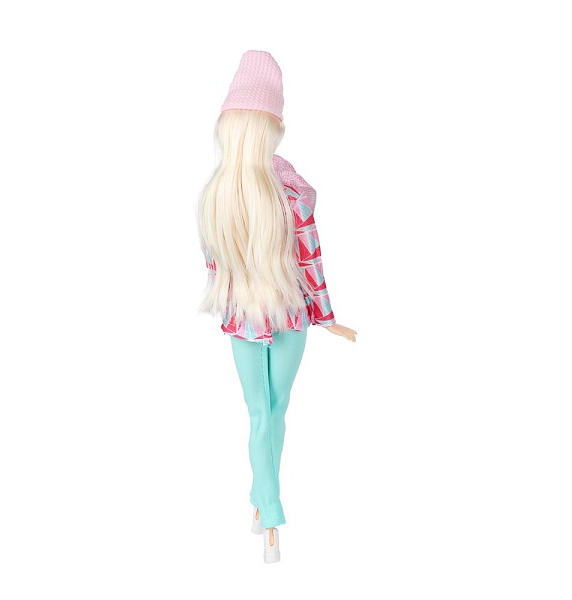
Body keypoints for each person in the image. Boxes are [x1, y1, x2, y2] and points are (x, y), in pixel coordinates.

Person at [196, 50, 357, 563]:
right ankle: (270, 509)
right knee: (265, 412)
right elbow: (298, 260)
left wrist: (327, 318)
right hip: (261, 317)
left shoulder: (257, 192)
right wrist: (323, 316)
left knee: (270, 410)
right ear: (273, 127)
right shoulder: (240, 193)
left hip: (277, 315)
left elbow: (306, 260)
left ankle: (260, 498)